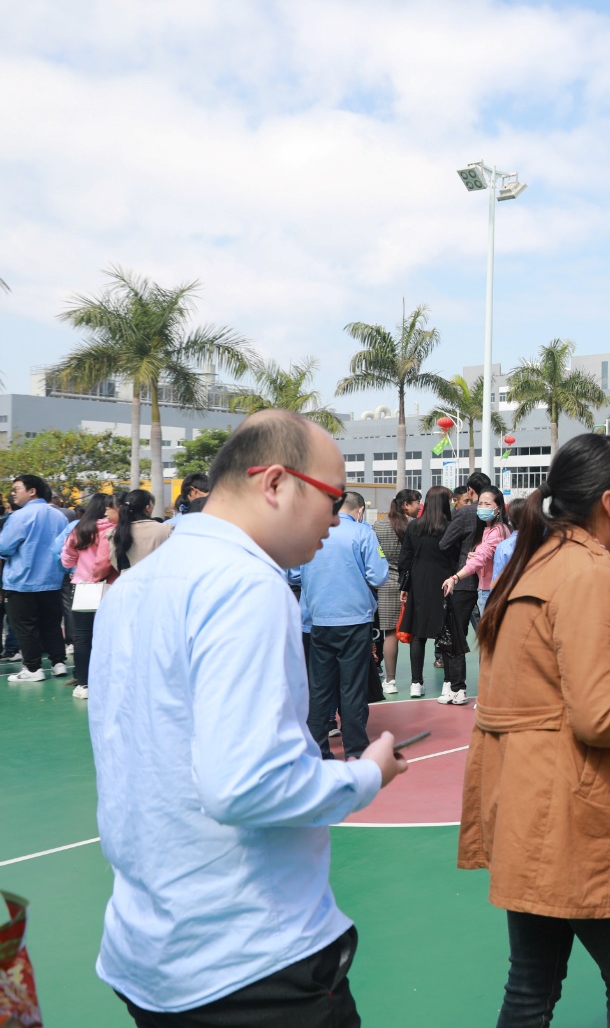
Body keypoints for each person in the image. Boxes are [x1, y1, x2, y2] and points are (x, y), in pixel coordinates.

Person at [89, 410, 408, 1026]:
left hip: (149, 948)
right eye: (333, 498)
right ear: (276, 483)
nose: (336, 519)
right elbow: (245, 784)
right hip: (250, 960)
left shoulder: (134, 585)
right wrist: (366, 774)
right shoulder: (247, 585)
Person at [458, 433, 610, 1028]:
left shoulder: (533, 560)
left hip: (527, 805)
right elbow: (599, 716)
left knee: (531, 984)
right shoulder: (589, 574)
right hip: (579, 814)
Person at [294, 492, 389, 761]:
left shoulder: (312, 533)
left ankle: (317, 750)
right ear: (359, 510)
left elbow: (293, 573)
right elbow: (379, 576)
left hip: (317, 620)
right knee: (352, 688)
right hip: (354, 620)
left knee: (319, 689)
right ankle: (356, 750)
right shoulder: (362, 532)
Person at [398, 487, 469, 701]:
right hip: (445, 583)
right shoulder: (450, 527)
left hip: (419, 583)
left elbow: (405, 558)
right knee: (445, 633)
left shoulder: (414, 526)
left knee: (417, 634)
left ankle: (416, 683)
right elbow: (457, 557)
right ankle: (448, 682)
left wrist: (404, 586)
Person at [1, 475, 72, 683]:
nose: (13, 493)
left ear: (32, 491)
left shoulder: (20, 516)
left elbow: (4, 547)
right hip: (52, 580)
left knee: (25, 626)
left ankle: (33, 668)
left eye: (17, 489)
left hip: (22, 581)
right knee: (51, 624)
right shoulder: (59, 516)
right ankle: (58, 663)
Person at [60, 492, 116, 698]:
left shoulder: (80, 529)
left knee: (83, 637)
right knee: (109, 636)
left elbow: (66, 558)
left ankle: (84, 683)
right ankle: (108, 681)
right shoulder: (115, 528)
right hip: (111, 586)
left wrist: (79, 565)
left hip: (84, 586)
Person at [373, 489, 420, 693]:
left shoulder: (378, 526)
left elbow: (374, 556)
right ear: (406, 505)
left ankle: (390, 681)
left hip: (386, 585)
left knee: (390, 633)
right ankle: (417, 682)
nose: (419, 506)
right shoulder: (416, 526)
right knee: (416, 634)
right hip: (412, 585)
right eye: (417, 502)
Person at [444, 486, 510, 620]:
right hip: (487, 588)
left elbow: (481, 558)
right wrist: (474, 554)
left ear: (498, 508)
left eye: (487, 504)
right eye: (480, 503)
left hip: (490, 590)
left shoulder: (497, 531)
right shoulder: (489, 529)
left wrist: (455, 577)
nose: (482, 507)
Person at [112, 489, 174, 572]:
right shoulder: (167, 529)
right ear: (148, 508)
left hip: (128, 578)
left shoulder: (116, 533)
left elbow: (116, 563)